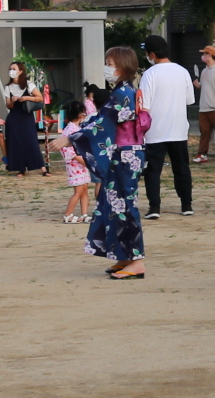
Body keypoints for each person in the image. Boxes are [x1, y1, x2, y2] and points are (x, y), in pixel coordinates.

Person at [84, 45, 146, 279]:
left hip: (125, 154)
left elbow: (102, 124)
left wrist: (72, 137)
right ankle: (126, 256)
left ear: (123, 66)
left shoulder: (123, 93)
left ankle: (137, 260)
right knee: (115, 205)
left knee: (125, 207)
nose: (107, 68)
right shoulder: (125, 90)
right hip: (125, 154)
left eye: (110, 64)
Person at [138, 36, 196, 216]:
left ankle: (154, 207)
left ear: (152, 54)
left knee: (153, 171)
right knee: (182, 169)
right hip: (178, 130)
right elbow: (190, 100)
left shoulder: (149, 74)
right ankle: (186, 205)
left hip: (155, 131)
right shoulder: (183, 71)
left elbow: (144, 106)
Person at [1, 61, 48, 175]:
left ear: (20, 71)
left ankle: (42, 168)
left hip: (26, 116)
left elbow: (39, 98)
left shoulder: (28, 84)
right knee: (15, 142)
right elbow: (8, 105)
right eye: (10, 68)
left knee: (31, 141)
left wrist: (26, 98)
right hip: (14, 116)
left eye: (14, 69)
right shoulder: (8, 87)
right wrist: (12, 101)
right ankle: (20, 168)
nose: (11, 71)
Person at [55, 98, 95, 221]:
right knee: (78, 191)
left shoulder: (77, 129)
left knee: (84, 190)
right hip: (75, 165)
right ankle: (68, 214)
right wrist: (85, 161)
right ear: (80, 115)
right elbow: (70, 152)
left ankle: (84, 214)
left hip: (82, 165)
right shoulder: (70, 131)